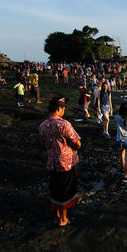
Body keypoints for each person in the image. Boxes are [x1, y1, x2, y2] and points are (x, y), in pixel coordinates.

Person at [38, 96, 81, 226]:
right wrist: (76, 147)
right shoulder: (64, 124)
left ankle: (57, 216)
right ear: (59, 108)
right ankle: (63, 219)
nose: (64, 111)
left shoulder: (42, 125)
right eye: (63, 108)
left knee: (55, 189)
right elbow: (77, 142)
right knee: (65, 190)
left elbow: (43, 143)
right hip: (65, 162)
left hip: (52, 162)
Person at [115, 102, 127, 183]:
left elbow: (115, 121)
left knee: (121, 156)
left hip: (119, 139)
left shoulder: (117, 117)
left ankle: (122, 169)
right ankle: (126, 176)